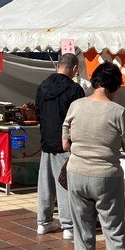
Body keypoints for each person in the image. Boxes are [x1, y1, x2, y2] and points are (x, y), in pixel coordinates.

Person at [62, 61, 125, 250]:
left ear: (94, 81)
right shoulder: (118, 111)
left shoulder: (76, 105)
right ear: (116, 85)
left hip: (77, 173)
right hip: (106, 175)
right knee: (113, 232)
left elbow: (65, 142)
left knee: (83, 232)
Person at [35, 53, 85, 238]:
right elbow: (78, 119)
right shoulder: (75, 89)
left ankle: (44, 221)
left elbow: (38, 113)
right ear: (73, 69)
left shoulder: (43, 86)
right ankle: (68, 226)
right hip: (66, 144)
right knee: (65, 184)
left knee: (45, 184)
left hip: (46, 141)